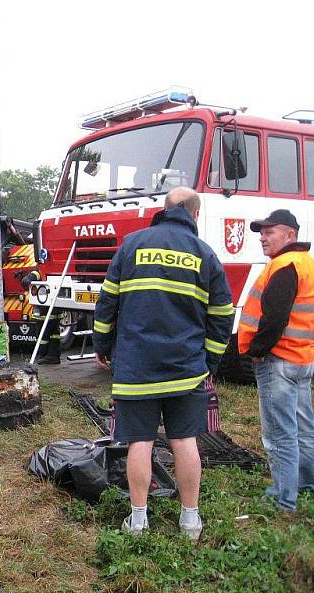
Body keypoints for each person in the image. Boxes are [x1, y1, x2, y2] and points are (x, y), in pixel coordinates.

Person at [92, 187, 234, 539]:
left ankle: (138, 521)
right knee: (184, 441)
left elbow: (106, 301)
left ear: (165, 209)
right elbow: (222, 315)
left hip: (136, 367)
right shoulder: (205, 254)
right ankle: (190, 521)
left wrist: (102, 345)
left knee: (139, 442)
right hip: (186, 369)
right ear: (194, 215)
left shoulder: (132, 244)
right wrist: (210, 360)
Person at [237, 209, 314, 511]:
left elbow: (275, 317)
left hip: (279, 360)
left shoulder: (284, 265)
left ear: (290, 235)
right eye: (261, 232)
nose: (262, 237)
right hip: (302, 358)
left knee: (279, 434)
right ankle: (305, 484)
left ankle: (284, 500)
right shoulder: (305, 264)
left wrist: (257, 351)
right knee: (303, 427)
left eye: (269, 232)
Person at [18, 269, 61, 364]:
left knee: (44, 335)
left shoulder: (41, 271)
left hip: (46, 312)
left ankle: (44, 355)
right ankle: (52, 355)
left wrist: (27, 279)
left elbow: (35, 274)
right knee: (53, 334)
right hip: (51, 310)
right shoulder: (46, 272)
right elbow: (36, 274)